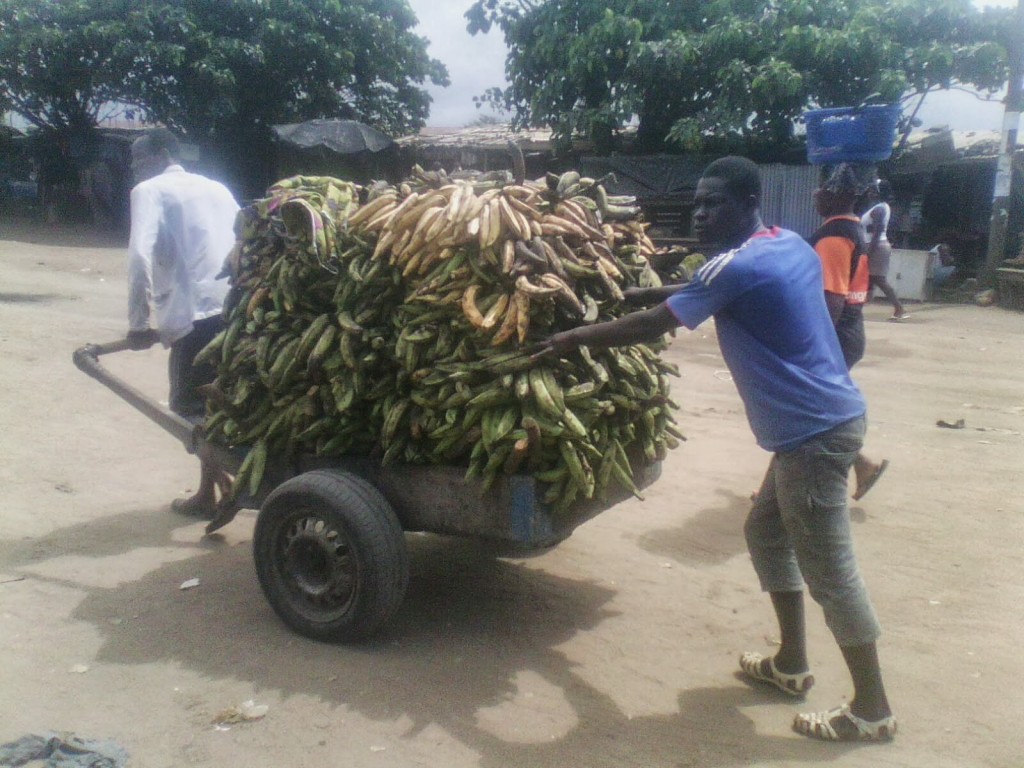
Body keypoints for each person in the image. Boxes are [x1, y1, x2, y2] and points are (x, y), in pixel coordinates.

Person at [541, 156, 896, 742]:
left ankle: (872, 709)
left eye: (714, 203)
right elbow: (704, 289)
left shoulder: (734, 266)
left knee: (831, 573)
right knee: (764, 533)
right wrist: (620, 288)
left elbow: (659, 320)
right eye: (698, 203)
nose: (701, 213)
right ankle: (790, 663)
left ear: (748, 201)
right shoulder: (786, 245)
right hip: (821, 424)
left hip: (814, 436)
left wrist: (571, 338)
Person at [126, 128, 240, 518]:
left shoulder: (150, 191)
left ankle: (225, 484)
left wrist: (139, 324)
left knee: (187, 409)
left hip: (194, 319)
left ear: (160, 154)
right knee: (216, 405)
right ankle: (208, 492)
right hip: (235, 313)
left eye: (138, 159)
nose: (134, 168)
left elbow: (139, 257)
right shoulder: (218, 189)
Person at [809, 163, 889, 502]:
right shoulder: (852, 230)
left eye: (822, 189)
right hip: (850, 332)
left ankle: (788, 489)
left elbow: (831, 299)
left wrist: (813, 349)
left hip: (837, 337)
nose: (816, 194)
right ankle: (862, 465)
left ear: (837, 195)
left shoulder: (834, 236)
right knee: (812, 412)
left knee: (807, 415)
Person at [859, 180, 906, 320]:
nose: (870, 192)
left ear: (879, 192)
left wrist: (869, 251)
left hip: (876, 246)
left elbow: (877, 232)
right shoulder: (879, 207)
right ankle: (859, 308)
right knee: (869, 278)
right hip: (875, 245)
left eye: (873, 190)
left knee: (878, 279)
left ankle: (899, 308)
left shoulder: (879, 209)